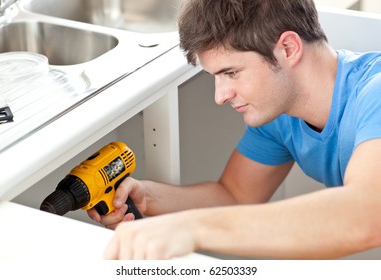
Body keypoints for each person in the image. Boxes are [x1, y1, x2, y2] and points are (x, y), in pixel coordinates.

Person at [88, 0, 381, 259]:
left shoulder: (376, 92)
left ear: (288, 49)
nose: (220, 96)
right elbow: (236, 195)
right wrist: (147, 197)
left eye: (231, 73)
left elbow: (366, 215)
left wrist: (194, 229)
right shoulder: (279, 114)